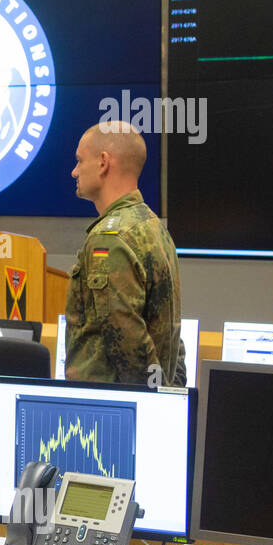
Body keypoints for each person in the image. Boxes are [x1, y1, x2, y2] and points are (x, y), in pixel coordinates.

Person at [65, 121, 183, 385]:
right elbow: (170, 329)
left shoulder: (109, 240)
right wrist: (171, 393)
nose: (74, 171)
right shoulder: (153, 226)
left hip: (108, 409)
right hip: (148, 403)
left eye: (80, 161)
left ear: (103, 162)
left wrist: (153, 401)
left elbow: (128, 342)